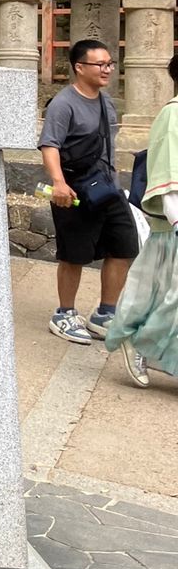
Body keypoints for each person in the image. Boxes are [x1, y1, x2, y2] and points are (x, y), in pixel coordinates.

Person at [38, 38, 137, 344]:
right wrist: (58, 182)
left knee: (124, 247)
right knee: (74, 255)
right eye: (100, 64)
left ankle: (105, 313)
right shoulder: (63, 104)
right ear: (80, 67)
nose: (107, 69)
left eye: (110, 64)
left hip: (108, 188)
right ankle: (64, 314)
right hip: (74, 189)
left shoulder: (107, 102)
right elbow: (50, 145)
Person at [105, 53, 178, 388]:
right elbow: (169, 172)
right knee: (170, 299)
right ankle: (138, 341)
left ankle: (148, 347)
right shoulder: (173, 115)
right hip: (173, 225)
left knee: (164, 297)